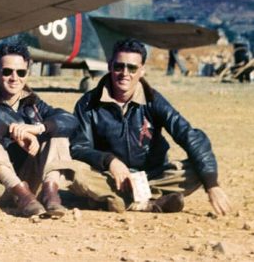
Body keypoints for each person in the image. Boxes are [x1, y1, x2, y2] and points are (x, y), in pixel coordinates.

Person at [70, 38, 231, 215]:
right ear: (109, 66)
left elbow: (189, 135)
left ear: (142, 71)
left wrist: (212, 185)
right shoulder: (88, 104)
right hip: (109, 177)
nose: (125, 73)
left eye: (132, 68)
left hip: (152, 177)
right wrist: (110, 161)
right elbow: (78, 148)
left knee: (196, 170)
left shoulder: (153, 100)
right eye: (119, 66)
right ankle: (149, 203)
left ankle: (117, 200)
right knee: (77, 173)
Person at [0, 43, 77, 217]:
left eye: (20, 72)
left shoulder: (34, 104)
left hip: (32, 188)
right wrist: (9, 131)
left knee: (57, 135)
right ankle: (21, 195)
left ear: (27, 74)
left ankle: (50, 193)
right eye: (7, 71)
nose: (14, 78)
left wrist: (38, 128)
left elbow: (69, 120)